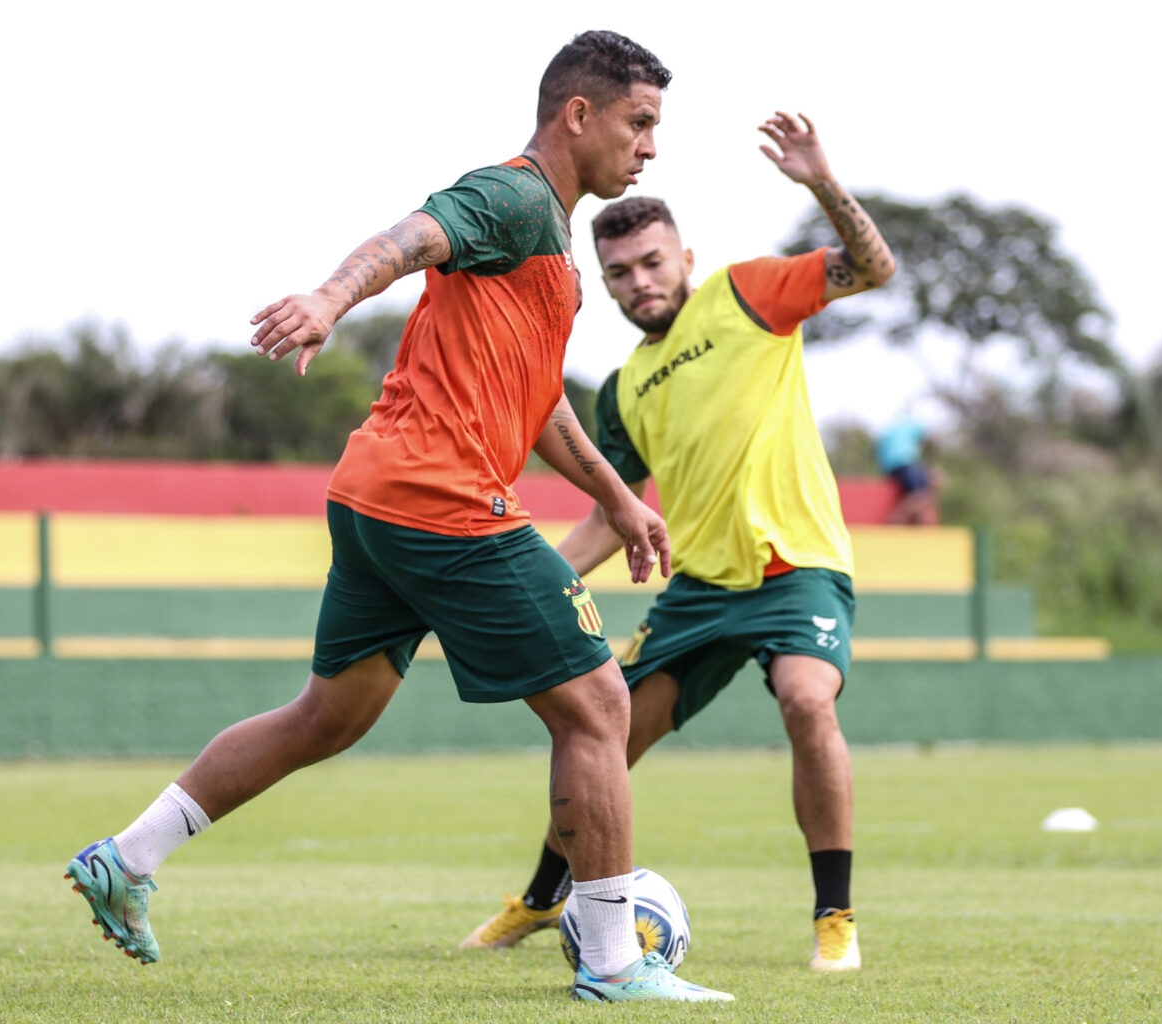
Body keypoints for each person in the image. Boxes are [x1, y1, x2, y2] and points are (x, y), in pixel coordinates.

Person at [63, 31, 735, 1004]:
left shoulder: (552, 252)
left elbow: (538, 403)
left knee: (329, 714)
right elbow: (410, 236)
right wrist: (331, 298)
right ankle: (614, 962)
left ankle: (127, 858)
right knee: (599, 704)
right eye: (640, 123)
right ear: (577, 115)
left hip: (374, 494)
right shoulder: (510, 196)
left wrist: (620, 499)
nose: (651, 147)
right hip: (441, 498)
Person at [458, 112, 896, 972]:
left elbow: (874, 268)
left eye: (653, 262)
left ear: (685, 260)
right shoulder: (623, 390)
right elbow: (606, 516)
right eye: (618, 272)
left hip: (795, 568)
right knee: (603, 733)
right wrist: (506, 581)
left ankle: (834, 919)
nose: (638, 281)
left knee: (809, 701)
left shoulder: (747, 295)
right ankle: (544, 898)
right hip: (697, 590)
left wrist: (819, 182)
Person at [876, 414, 941, 524]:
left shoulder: (890, 430)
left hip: (890, 468)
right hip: (905, 463)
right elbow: (932, 439)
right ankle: (896, 517)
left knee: (915, 491)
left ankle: (911, 520)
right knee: (930, 487)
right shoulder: (916, 426)